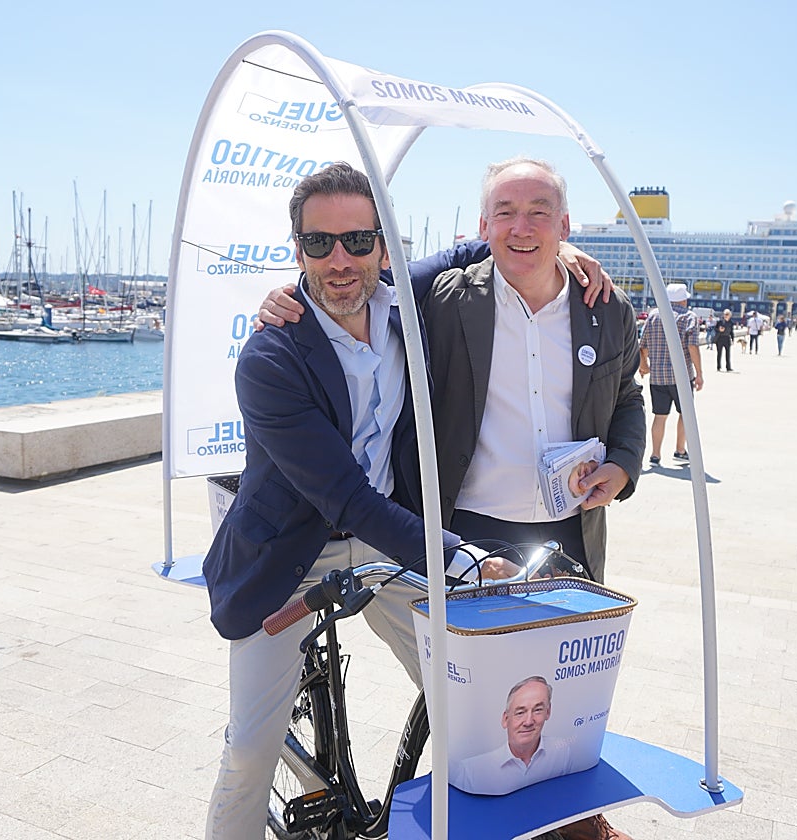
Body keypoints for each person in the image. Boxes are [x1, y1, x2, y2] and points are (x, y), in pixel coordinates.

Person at [259, 158, 642, 840]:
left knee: (555, 705)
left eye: (540, 214)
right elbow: (340, 279)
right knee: (480, 707)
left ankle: (563, 824)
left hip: (566, 543)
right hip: (464, 540)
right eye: (505, 212)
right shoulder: (442, 299)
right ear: (482, 223)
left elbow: (627, 399)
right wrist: (284, 295)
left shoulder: (603, 306)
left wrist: (621, 462)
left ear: (565, 223)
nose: (521, 228)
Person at [203, 163, 517, 840]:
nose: (339, 260)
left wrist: (571, 252)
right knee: (251, 749)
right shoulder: (270, 358)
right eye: (319, 244)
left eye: (356, 241)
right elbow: (343, 495)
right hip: (290, 557)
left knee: (470, 692)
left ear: (384, 245)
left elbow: (477, 245)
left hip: (384, 539)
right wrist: (459, 559)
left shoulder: (405, 300)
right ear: (297, 251)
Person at [453, 676, 573, 796]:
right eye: (520, 712)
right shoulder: (471, 771)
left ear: (548, 712)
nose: (528, 722)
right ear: (505, 719)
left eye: (538, 710)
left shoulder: (562, 753)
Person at [638, 282, 703, 465]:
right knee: (685, 414)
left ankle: (655, 454)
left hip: (658, 377)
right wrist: (699, 373)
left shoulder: (653, 316)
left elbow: (641, 346)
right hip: (681, 377)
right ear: (683, 300)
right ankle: (680, 450)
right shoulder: (689, 317)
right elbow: (692, 346)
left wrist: (644, 366)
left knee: (659, 416)